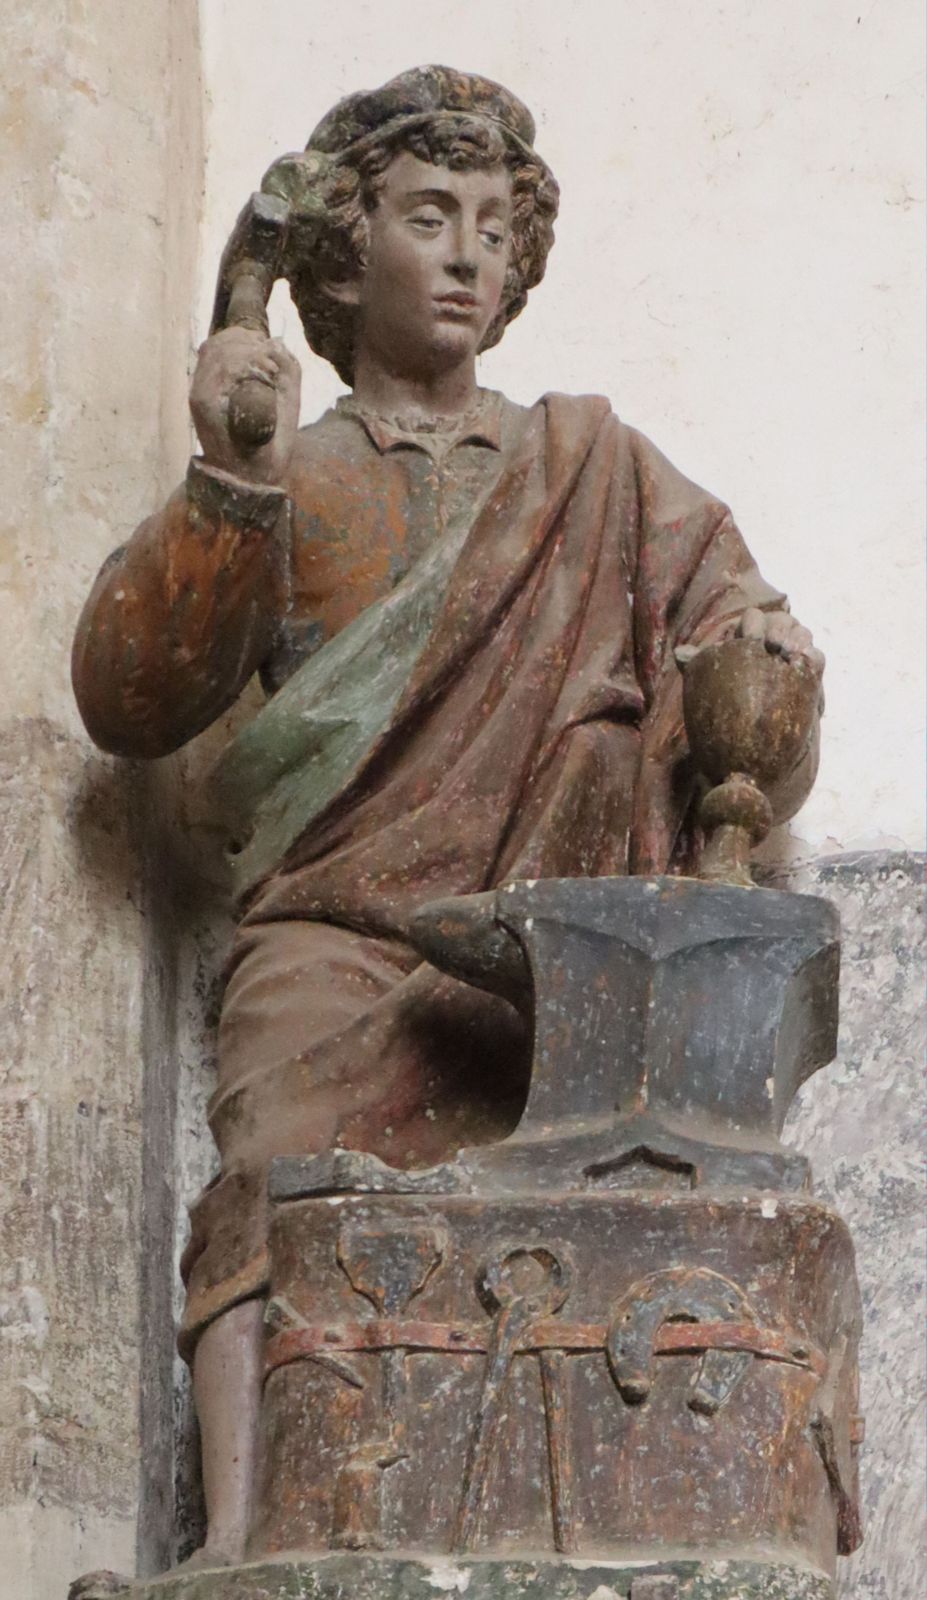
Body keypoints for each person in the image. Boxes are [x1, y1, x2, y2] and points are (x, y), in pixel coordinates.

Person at [71, 65, 824, 1569]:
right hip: (335, 930)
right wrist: (231, 476)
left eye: (494, 225)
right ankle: (241, 1534)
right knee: (275, 1164)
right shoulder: (306, 471)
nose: (472, 255)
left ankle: (595, 1508)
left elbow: (740, 629)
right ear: (344, 259)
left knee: (593, 1218)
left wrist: (761, 673)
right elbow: (132, 697)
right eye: (430, 218)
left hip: (541, 960)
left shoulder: (590, 465)